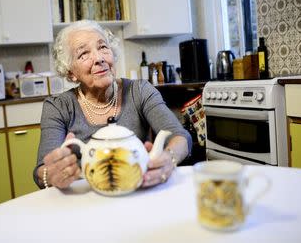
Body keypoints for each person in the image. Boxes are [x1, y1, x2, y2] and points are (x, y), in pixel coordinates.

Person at [33, 20, 192, 190]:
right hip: (84, 200)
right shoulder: (57, 106)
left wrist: (169, 159)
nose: (99, 58)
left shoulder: (139, 91)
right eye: (83, 54)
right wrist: (51, 174)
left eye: (102, 47)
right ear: (71, 73)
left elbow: (181, 136)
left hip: (135, 190)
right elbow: (41, 171)